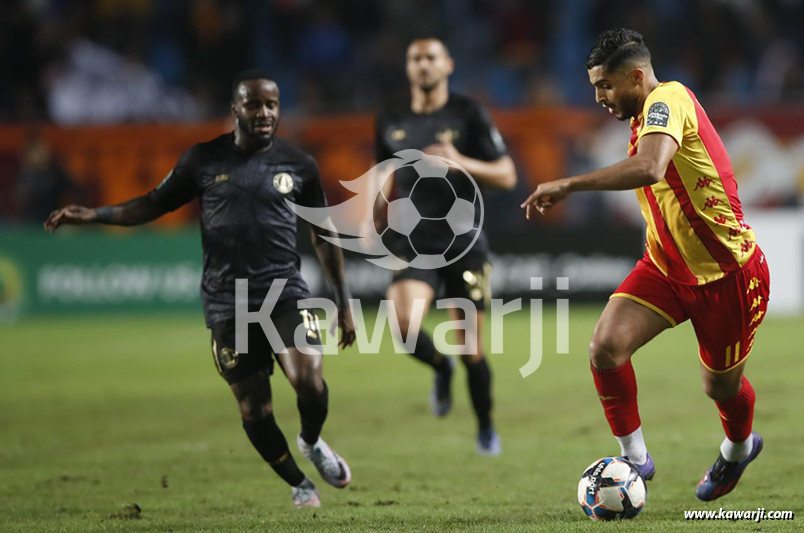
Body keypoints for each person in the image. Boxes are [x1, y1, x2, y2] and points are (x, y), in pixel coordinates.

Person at [44, 69, 357, 509]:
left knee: (307, 376)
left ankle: (312, 441)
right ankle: (298, 482)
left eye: (271, 104)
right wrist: (95, 215)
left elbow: (324, 236)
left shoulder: (300, 164)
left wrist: (343, 303)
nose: (264, 112)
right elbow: (152, 204)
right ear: (235, 110)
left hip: (284, 290)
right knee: (255, 408)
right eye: (253, 104)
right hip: (228, 299)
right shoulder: (203, 160)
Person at [521, 28, 769, 500]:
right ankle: (634, 460)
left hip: (728, 276)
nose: (598, 96)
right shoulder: (643, 119)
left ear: (636, 76)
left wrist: (569, 184)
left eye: (605, 85)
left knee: (720, 389)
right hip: (664, 266)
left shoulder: (668, 99)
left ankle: (739, 449)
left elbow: (651, 167)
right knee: (605, 348)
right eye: (595, 87)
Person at [373, 38, 517, 455]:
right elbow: (386, 172)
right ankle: (440, 365)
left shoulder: (468, 113)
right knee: (403, 326)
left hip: (462, 241)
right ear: (407, 67)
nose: (423, 65)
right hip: (410, 239)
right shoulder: (390, 118)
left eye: (431, 57)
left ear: (448, 65)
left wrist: (461, 161)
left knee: (472, 348)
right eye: (415, 58)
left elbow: (507, 174)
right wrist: (378, 212)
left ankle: (486, 426)